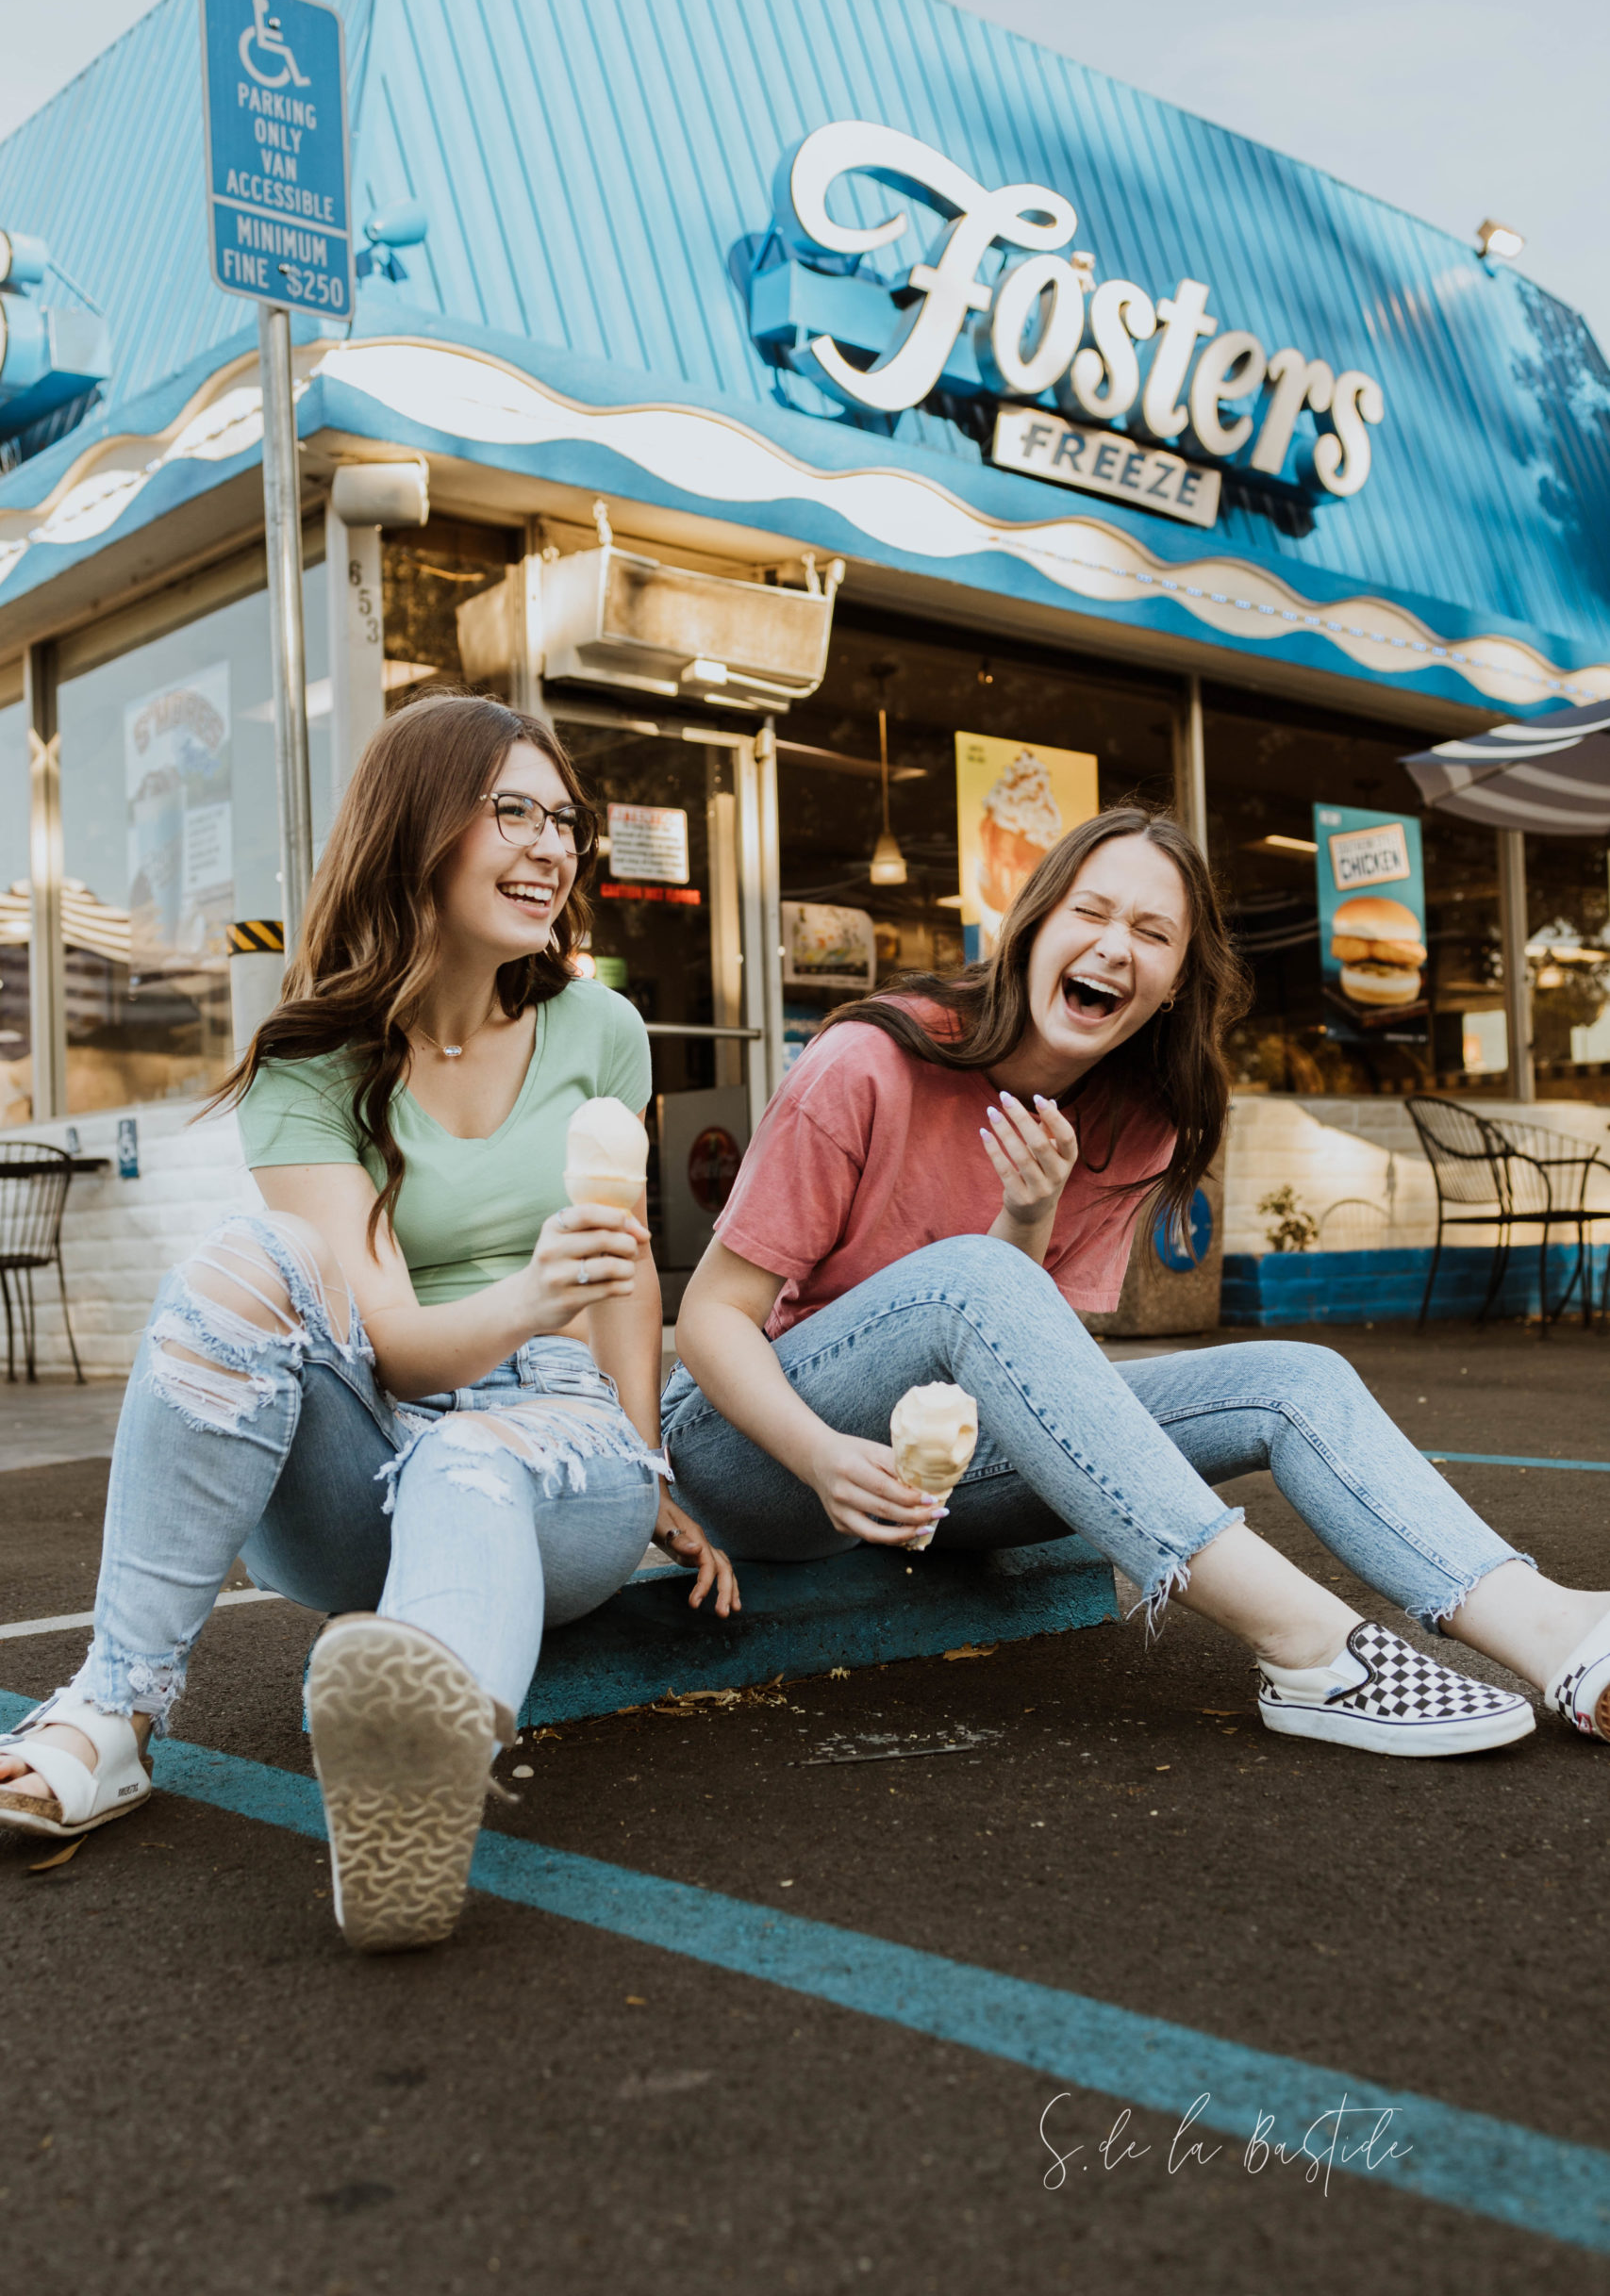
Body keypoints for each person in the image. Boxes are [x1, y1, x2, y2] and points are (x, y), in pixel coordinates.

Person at [0, 694, 734, 1947]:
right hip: (364, 1457)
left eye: (565, 821)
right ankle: (113, 1711)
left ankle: (424, 1767)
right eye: (512, 811)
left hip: (554, 1445)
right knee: (256, 1256)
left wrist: (647, 1461)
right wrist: (527, 1291)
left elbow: (627, 1274)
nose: (552, 846)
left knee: (472, 1453)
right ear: (416, 826)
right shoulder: (310, 1059)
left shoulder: (598, 1030)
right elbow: (383, 1336)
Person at [666, 803, 1610, 1759]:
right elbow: (708, 1319)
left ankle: (1553, 1629)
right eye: (1092, 912)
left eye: (1152, 934)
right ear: (1029, 929)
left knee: (1299, 1379)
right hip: (755, 1453)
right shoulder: (870, 1058)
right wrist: (823, 1453)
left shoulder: (1137, 1117)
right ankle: (1313, 1650)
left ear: (1171, 989)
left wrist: (1028, 1213)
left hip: (933, 1483)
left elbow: (1028, 1386)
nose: (1115, 948)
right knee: (973, 1275)